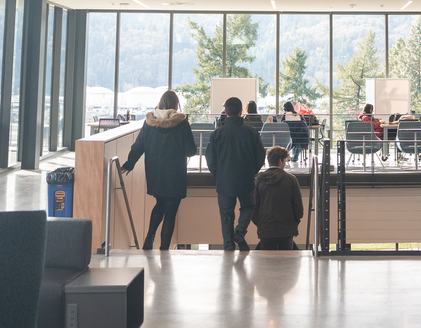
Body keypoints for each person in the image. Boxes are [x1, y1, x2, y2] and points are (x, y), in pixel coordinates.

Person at [120, 89, 196, 251]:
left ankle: (150, 236)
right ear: (176, 105)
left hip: (155, 171)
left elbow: (138, 145)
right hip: (175, 172)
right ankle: (164, 249)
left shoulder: (149, 122)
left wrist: (129, 164)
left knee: (160, 203)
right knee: (171, 211)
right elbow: (191, 150)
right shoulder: (181, 123)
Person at [206, 96, 266, 252]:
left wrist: (219, 174)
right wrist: (252, 171)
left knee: (226, 216)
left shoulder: (217, 134)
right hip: (246, 179)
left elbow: (210, 159)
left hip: (224, 181)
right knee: (248, 206)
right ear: (241, 112)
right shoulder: (251, 133)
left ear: (225, 112)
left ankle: (228, 246)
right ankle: (239, 232)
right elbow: (260, 157)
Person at [252, 146, 304, 250]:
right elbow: (298, 208)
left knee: (265, 258)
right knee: (287, 258)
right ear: (280, 161)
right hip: (286, 229)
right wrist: (294, 222)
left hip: (266, 228)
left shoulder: (259, 180)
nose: (285, 163)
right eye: (285, 160)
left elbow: (253, 207)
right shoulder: (291, 180)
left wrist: (261, 224)